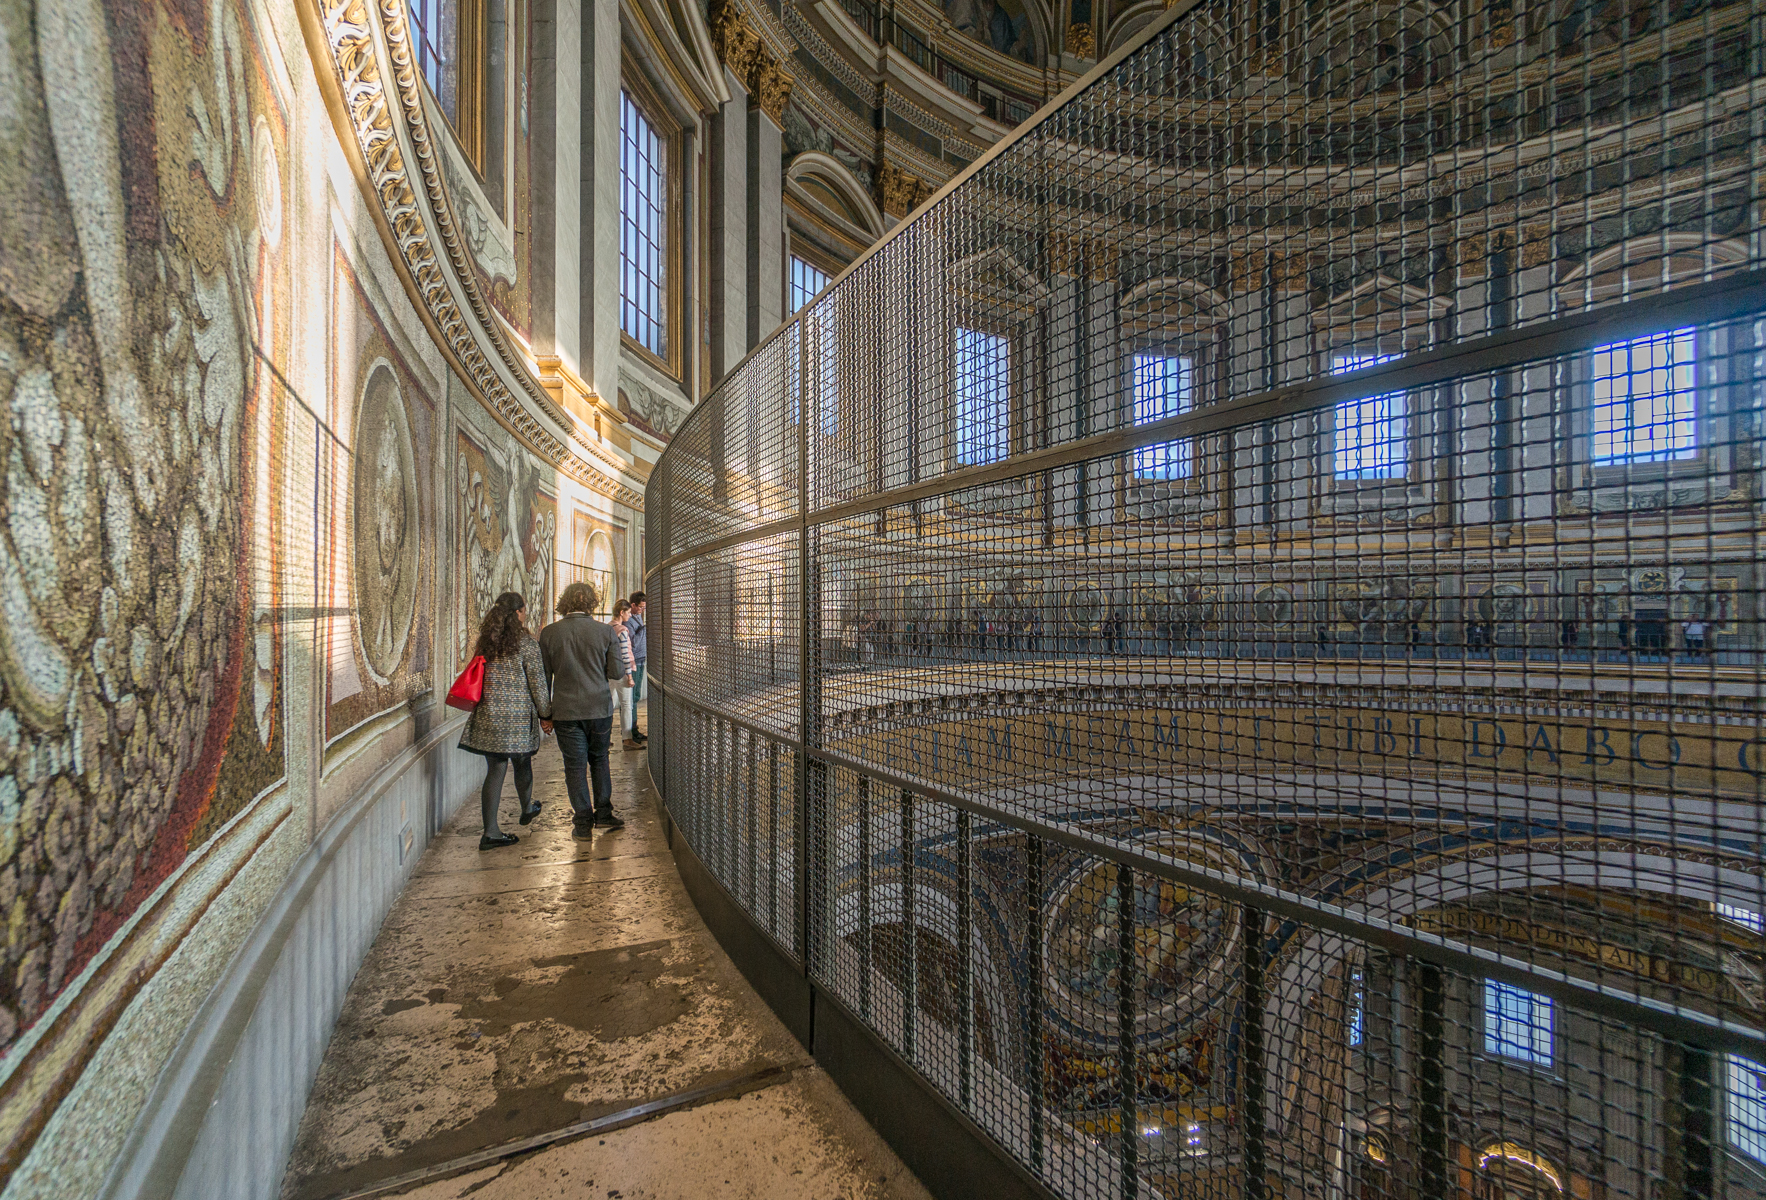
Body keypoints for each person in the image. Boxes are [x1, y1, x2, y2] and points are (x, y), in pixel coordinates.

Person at [458, 592, 551, 851]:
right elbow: (538, 683)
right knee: (523, 763)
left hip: (489, 717)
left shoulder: (487, 642)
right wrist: (546, 714)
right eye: (524, 610)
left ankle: (490, 832)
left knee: (496, 770)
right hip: (518, 719)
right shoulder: (526, 643)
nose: (526, 614)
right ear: (518, 613)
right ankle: (527, 807)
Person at [539, 582, 632, 835]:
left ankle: (582, 824)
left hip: (565, 712)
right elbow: (616, 672)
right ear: (592, 603)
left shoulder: (549, 633)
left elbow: (543, 679)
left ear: (564, 602)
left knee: (574, 766)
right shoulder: (605, 632)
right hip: (599, 708)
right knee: (600, 760)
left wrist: (544, 715)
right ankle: (604, 814)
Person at [623, 591, 648, 746]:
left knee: (636, 697)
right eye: (640, 607)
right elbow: (633, 644)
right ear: (632, 605)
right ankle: (631, 731)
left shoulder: (638, 617)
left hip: (641, 660)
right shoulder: (628, 622)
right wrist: (644, 630)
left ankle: (635, 728)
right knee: (631, 698)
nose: (641, 610)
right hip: (634, 662)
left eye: (644, 608)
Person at [610, 597, 637, 730]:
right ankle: (627, 739)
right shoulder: (622, 631)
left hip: (609, 672)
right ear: (622, 612)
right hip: (622, 672)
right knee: (626, 705)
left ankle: (606, 738)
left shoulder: (607, 628)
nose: (630, 615)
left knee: (609, 705)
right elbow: (624, 655)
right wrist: (630, 676)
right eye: (628, 612)